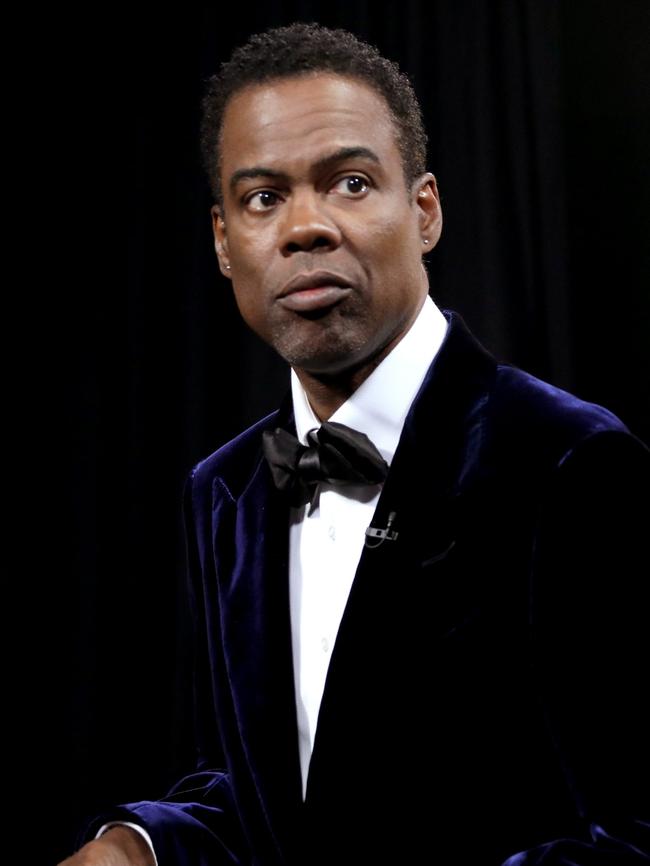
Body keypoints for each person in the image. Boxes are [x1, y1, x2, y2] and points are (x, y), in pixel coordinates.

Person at [61, 22, 649, 866]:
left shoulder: (570, 461)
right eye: (264, 198)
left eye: (348, 182)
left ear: (425, 210)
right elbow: (269, 797)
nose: (305, 229)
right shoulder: (224, 490)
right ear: (226, 244)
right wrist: (142, 846)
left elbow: (633, 833)